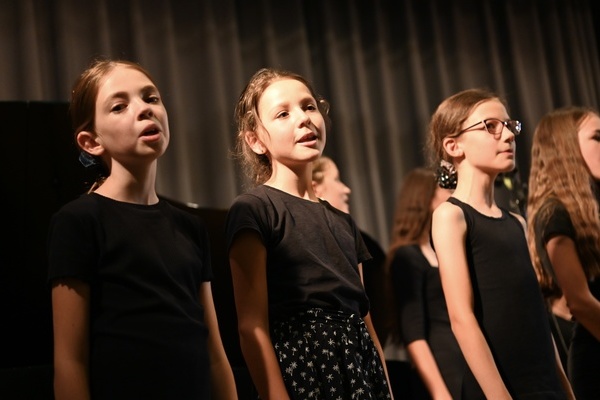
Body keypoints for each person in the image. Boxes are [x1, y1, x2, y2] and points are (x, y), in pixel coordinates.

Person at [47, 59, 237, 400]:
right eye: (119, 106)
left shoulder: (190, 227)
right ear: (91, 141)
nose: (145, 109)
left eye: (151, 98)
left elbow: (215, 355)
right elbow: (70, 361)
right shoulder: (79, 221)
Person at [226, 67, 393, 399]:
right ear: (256, 141)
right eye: (283, 114)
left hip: (358, 367)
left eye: (309, 106)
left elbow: (366, 322)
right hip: (304, 369)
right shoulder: (255, 209)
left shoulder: (344, 223)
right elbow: (251, 325)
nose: (304, 119)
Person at [428, 88, 573, 399]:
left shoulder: (516, 222)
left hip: (544, 386)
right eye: (490, 126)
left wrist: (565, 388)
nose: (508, 136)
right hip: (499, 388)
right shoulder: (451, 216)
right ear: (454, 145)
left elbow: (537, 316)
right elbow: (462, 319)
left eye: (509, 126)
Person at [526, 106, 600, 399]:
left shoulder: (590, 209)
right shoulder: (554, 212)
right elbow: (579, 301)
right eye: (597, 137)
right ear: (566, 147)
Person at [383, 167, 461, 400]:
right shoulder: (407, 256)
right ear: (424, 197)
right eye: (443, 187)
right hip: (443, 368)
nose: (451, 194)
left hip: (462, 359)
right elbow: (413, 333)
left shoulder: (440, 249)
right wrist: (440, 393)